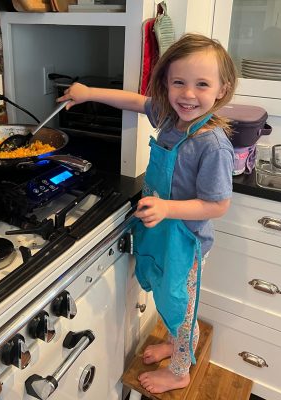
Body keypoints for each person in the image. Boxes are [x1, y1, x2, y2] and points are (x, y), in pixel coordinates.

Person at [57, 33, 237, 394]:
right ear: (166, 85)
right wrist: (88, 92)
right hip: (161, 230)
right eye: (179, 83)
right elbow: (136, 102)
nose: (188, 94)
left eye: (202, 84)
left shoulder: (213, 144)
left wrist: (168, 207)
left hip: (186, 241)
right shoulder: (171, 118)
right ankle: (175, 342)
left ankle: (181, 369)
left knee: (179, 302)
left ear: (222, 89)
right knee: (163, 293)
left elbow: (218, 204)